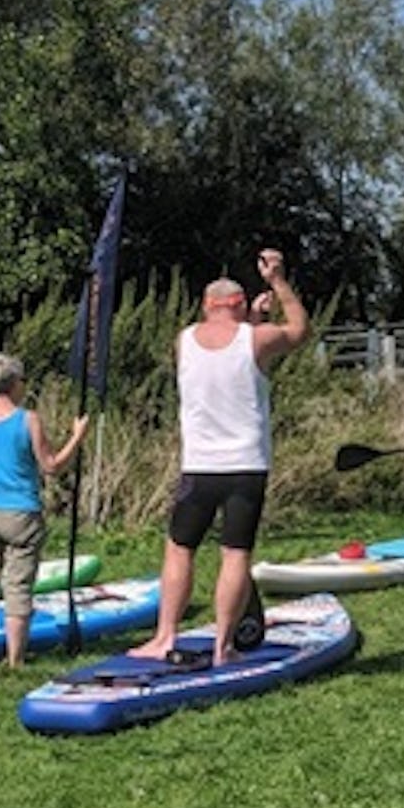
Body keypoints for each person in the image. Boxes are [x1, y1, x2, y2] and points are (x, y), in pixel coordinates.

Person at [131, 248, 310, 666]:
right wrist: (279, 281)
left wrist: (250, 320)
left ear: (206, 305)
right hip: (247, 466)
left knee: (179, 549)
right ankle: (222, 646)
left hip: (199, 467)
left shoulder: (184, 340)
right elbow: (299, 331)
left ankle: (164, 636)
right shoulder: (257, 339)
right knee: (235, 554)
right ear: (242, 304)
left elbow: (224, 352)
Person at [0, 353, 89, 673]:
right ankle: (16, 659)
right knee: (18, 586)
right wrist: (77, 437)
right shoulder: (27, 419)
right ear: (16, 383)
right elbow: (51, 466)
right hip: (20, 510)